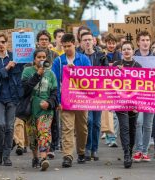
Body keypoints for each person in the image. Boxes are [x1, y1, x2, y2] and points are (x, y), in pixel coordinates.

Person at [51, 33, 91, 168]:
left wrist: (77, 71)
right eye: (64, 46)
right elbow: (55, 82)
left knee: (82, 128)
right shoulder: (59, 61)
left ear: (74, 44)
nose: (67, 49)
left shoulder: (84, 59)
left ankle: (81, 151)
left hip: (81, 100)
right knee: (67, 128)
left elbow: (90, 79)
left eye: (69, 46)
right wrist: (57, 101)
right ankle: (67, 155)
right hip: (66, 100)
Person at [0, 33, 24, 166]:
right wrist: (7, 68)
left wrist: (27, 45)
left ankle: (7, 156)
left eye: (3, 42)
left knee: (9, 127)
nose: (1, 44)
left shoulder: (16, 57)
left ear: (7, 43)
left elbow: (27, 63)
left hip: (13, 97)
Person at [22, 49, 58, 171]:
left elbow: (54, 93)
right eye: (39, 57)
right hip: (31, 109)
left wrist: (49, 103)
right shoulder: (27, 72)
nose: (42, 59)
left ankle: (43, 158)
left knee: (44, 132)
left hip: (46, 110)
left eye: (44, 57)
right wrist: (38, 74)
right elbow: (25, 90)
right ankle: (35, 157)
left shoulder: (51, 74)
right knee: (32, 136)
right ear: (34, 59)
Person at [80, 32, 108, 161]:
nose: (87, 42)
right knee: (88, 121)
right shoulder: (79, 57)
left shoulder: (101, 56)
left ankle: (94, 149)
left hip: (98, 94)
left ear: (94, 41)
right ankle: (87, 147)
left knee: (96, 123)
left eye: (89, 40)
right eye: (84, 40)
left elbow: (107, 73)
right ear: (81, 42)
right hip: (84, 95)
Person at [113, 41, 142, 168]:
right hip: (120, 102)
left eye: (128, 49)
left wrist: (138, 104)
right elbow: (110, 82)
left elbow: (142, 85)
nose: (126, 51)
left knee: (132, 128)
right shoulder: (116, 65)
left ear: (132, 50)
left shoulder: (138, 66)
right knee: (124, 127)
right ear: (121, 51)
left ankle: (130, 150)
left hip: (134, 102)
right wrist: (117, 71)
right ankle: (126, 154)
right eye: (124, 49)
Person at [36, 30, 59, 158]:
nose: (44, 41)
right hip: (38, 93)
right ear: (38, 41)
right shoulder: (33, 55)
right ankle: (42, 147)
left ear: (49, 41)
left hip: (51, 91)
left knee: (54, 120)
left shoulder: (55, 55)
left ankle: (52, 147)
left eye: (46, 39)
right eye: (41, 39)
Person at [133, 30, 154, 163]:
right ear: (138, 42)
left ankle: (145, 152)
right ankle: (138, 150)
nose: (145, 43)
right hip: (136, 96)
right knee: (138, 122)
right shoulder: (133, 58)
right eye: (143, 40)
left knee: (148, 125)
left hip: (151, 96)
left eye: (147, 40)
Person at [103, 33, 121, 147]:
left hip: (116, 88)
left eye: (113, 43)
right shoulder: (102, 55)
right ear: (106, 43)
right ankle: (108, 137)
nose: (111, 45)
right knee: (107, 114)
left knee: (114, 114)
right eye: (109, 43)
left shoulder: (119, 55)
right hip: (104, 87)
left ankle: (113, 137)